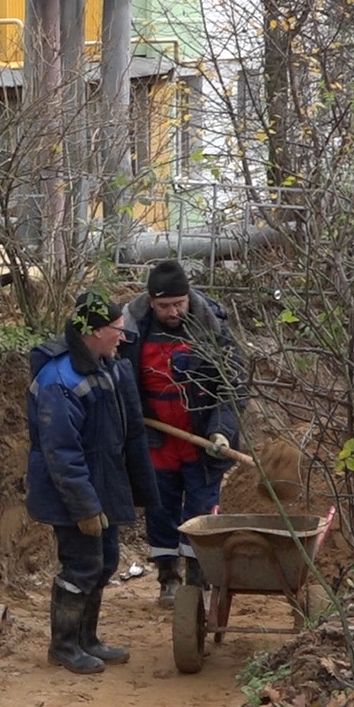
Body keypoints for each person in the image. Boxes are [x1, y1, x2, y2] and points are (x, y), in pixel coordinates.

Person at [26, 291, 162, 674]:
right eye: (117, 330)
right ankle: (64, 645)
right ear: (93, 332)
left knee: (105, 563)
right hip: (70, 493)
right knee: (82, 565)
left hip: (100, 485)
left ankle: (88, 639)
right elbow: (62, 454)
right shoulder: (59, 380)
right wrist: (84, 508)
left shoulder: (107, 365)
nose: (123, 337)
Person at [121, 260, 247, 608]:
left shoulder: (210, 326)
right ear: (150, 302)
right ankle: (168, 579)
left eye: (179, 304)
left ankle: (197, 579)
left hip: (201, 439)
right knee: (160, 508)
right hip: (156, 438)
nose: (173, 312)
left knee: (201, 510)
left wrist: (221, 431)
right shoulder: (131, 327)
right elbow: (119, 380)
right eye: (164, 306)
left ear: (188, 297)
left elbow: (233, 386)